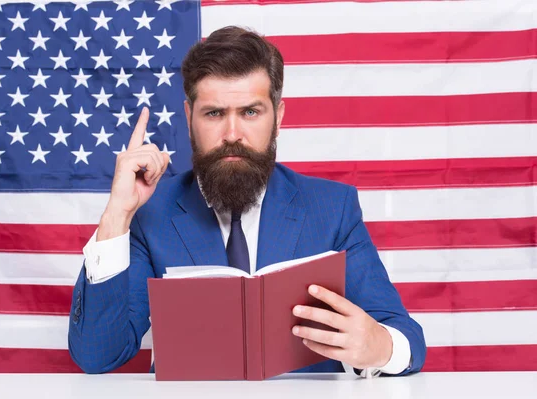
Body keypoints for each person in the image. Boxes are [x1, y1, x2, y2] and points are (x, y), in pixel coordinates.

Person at [68, 26, 426, 377]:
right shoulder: (152, 211)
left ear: (279, 117)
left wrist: (379, 346)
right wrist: (116, 216)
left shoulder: (332, 208)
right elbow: (98, 355)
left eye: (250, 112)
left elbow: (407, 339)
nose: (232, 135)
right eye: (214, 114)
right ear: (189, 118)